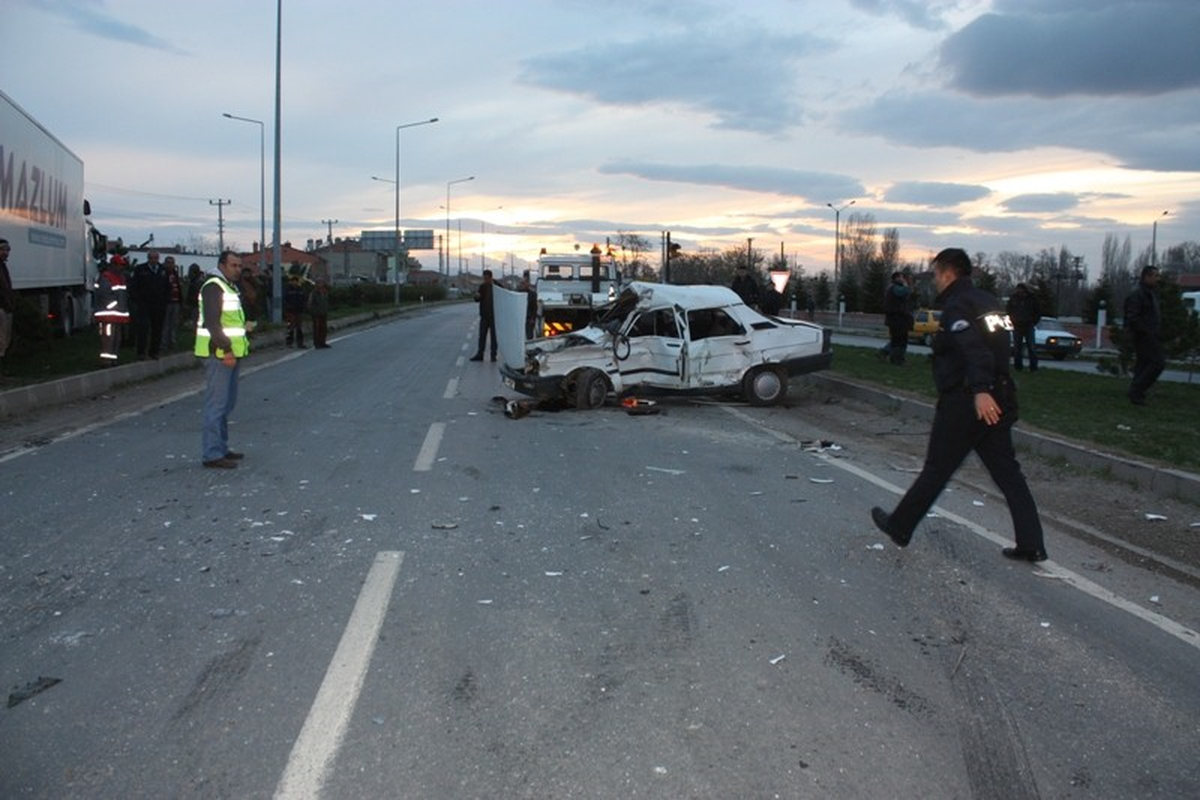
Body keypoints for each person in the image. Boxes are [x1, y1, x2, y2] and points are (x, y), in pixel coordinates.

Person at [870, 248, 1047, 563]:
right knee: (1009, 474)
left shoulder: (957, 306)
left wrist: (980, 390)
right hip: (998, 398)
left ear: (949, 273)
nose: (936, 280)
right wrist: (991, 389)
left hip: (968, 402)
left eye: (937, 274)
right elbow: (999, 348)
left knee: (937, 468)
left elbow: (973, 349)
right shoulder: (989, 302)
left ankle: (900, 526)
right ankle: (1031, 542)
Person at [195, 251, 250, 469]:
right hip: (219, 353)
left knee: (226, 403)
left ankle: (221, 447)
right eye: (233, 265)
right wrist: (226, 349)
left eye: (239, 265)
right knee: (216, 405)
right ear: (222, 265)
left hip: (229, 352)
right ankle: (212, 453)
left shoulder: (227, 286)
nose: (238, 269)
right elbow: (212, 322)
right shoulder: (213, 286)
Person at [1124, 265, 1165, 406]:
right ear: (1146, 276)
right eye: (1155, 276)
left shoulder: (1150, 294)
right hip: (1143, 336)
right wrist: (1147, 332)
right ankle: (1136, 390)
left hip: (1148, 335)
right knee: (1157, 363)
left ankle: (1136, 395)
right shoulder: (1138, 295)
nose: (1158, 279)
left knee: (1143, 365)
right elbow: (1133, 317)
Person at [127, 249, 170, 359]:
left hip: (159, 305)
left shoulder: (163, 270)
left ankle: (154, 352)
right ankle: (141, 352)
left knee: (157, 329)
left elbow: (167, 287)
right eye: (151, 258)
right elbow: (134, 286)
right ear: (148, 258)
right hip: (144, 304)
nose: (153, 260)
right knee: (143, 329)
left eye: (155, 258)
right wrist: (138, 300)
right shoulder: (140, 269)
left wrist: (165, 301)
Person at [94, 255, 131, 364]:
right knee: (108, 338)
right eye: (119, 265)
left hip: (117, 315)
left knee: (116, 338)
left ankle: (114, 358)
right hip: (107, 315)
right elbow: (104, 295)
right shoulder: (106, 277)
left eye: (122, 265)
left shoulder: (121, 278)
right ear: (113, 265)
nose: (121, 268)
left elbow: (123, 296)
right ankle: (106, 360)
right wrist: (114, 305)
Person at [879, 271, 913, 365]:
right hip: (898, 319)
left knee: (896, 340)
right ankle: (898, 359)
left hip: (896, 319)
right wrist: (907, 285)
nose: (903, 279)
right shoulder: (895, 288)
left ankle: (889, 355)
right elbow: (904, 293)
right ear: (896, 278)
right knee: (900, 340)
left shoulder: (891, 288)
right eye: (901, 277)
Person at [1006, 282, 1041, 372]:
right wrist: (1012, 321)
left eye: (1021, 289)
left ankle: (1033, 367)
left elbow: (1037, 311)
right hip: (1017, 325)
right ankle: (1018, 367)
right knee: (1017, 348)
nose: (1019, 291)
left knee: (1031, 347)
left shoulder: (1032, 298)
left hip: (1028, 325)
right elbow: (1008, 310)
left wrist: (1033, 322)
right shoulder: (1014, 298)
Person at [470, 269, 497, 361]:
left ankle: (493, 355)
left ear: (490, 277)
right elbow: (477, 299)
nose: (485, 280)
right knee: (482, 336)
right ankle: (480, 354)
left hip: (494, 316)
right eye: (484, 278)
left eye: (486, 278)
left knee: (494, 337)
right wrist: (476, 296)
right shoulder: (482, 287)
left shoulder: (497, 286)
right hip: (484, 316)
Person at [160, 256, 183, 352]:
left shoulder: (175, 274)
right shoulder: (163, 274)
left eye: (172, 263)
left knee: (173, 324)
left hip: (175, 301)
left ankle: (172, 342)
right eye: (168, 262)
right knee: (166, 324)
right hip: (167, 302)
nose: (170, 265)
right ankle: (164, 343)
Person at [0, 239, 16, 376]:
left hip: (5, 308)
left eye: (7, 249)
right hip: (2, 308)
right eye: (3, 249)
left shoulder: (3, 266)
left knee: (4, 340)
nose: (6, 252)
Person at [283, 275, 308, 349]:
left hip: (299, 311)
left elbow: (304, 299)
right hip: (290, 311)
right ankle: (289, 343)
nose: (294, 282)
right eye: (293, 281)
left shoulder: (300, 290)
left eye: (296, 281)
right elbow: (284, 300)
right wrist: (288, 307)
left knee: (299, 328)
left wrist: (303, 306)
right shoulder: (287, 289)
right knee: (290, 328)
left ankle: (300, 343)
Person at [309, 277, 331, 348]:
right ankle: (317, 343)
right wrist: (313, 310)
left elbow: (326, 301)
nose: (320, 284)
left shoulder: (325, 292)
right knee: (317, 328)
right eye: (318, 283)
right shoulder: (313, 293)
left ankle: (322, 342)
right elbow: (310, 303)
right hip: (316, 313)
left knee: (323, 328)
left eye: (321, 283)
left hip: (323, 312)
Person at [518, 270, 538, 339]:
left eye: (524, 283)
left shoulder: (532, 294)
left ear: (528, 283)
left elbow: (534, 308)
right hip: (520, 318)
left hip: (529, 318)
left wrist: (533, 318)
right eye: (521, 283)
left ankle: (529, 348)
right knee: (520, 336)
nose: (522, 285)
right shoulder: (518, 293)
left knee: (529, 336)